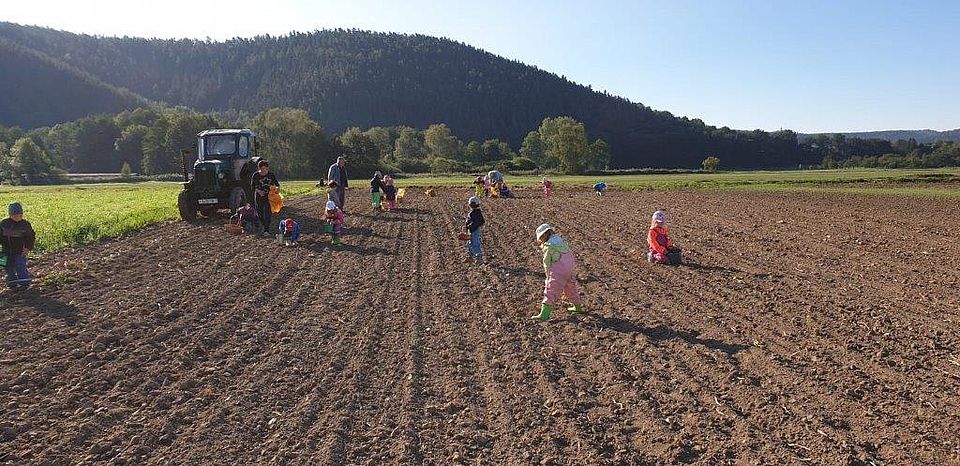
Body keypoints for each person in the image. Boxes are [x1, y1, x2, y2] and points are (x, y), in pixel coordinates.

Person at [532, 223, 581, 321]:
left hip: (559, 270)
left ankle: (544, 315)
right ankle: (577, 307)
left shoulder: (548, 246)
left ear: (544, 235)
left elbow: (546, 263)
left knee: (550, 289)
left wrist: (548, 275)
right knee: (570, 287)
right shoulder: (560, 241)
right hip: (569, 268)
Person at [1, 202, 35, 289]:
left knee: (20, 265)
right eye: (15, 215)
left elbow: (30, 237)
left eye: (19, 215)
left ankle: (25, 283)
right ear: (10, 215)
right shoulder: (4, 224)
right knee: (7, 266)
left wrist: (27, 248)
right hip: (5, 251)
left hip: (20, 250)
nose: (17, 217)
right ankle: (12, 283)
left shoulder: (25, 224)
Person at [251, 160, 280, 234]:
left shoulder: (271, 175)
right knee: (259, 213)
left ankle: (266, 230)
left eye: (265, 168)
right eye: (262, 168)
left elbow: (277, 184)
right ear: (259, 168)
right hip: (259, 196)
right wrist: (259, 191)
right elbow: (252, 187)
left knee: (268, 213)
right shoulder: (255, 175)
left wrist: (277, 189)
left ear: (267, 168)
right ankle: (264, 225)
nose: (263, 170)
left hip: (269, 197)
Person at [464, 196, 485, 264]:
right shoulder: (476, 212)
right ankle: (470, 257)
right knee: (470, 243)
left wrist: (468, 226)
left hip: (474, 230)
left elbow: (476, 222)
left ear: (470, 205)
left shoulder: (474, 213)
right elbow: (481, 221)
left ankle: (479, 257)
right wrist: (467, 227)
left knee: (475, 243)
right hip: (472, 230)